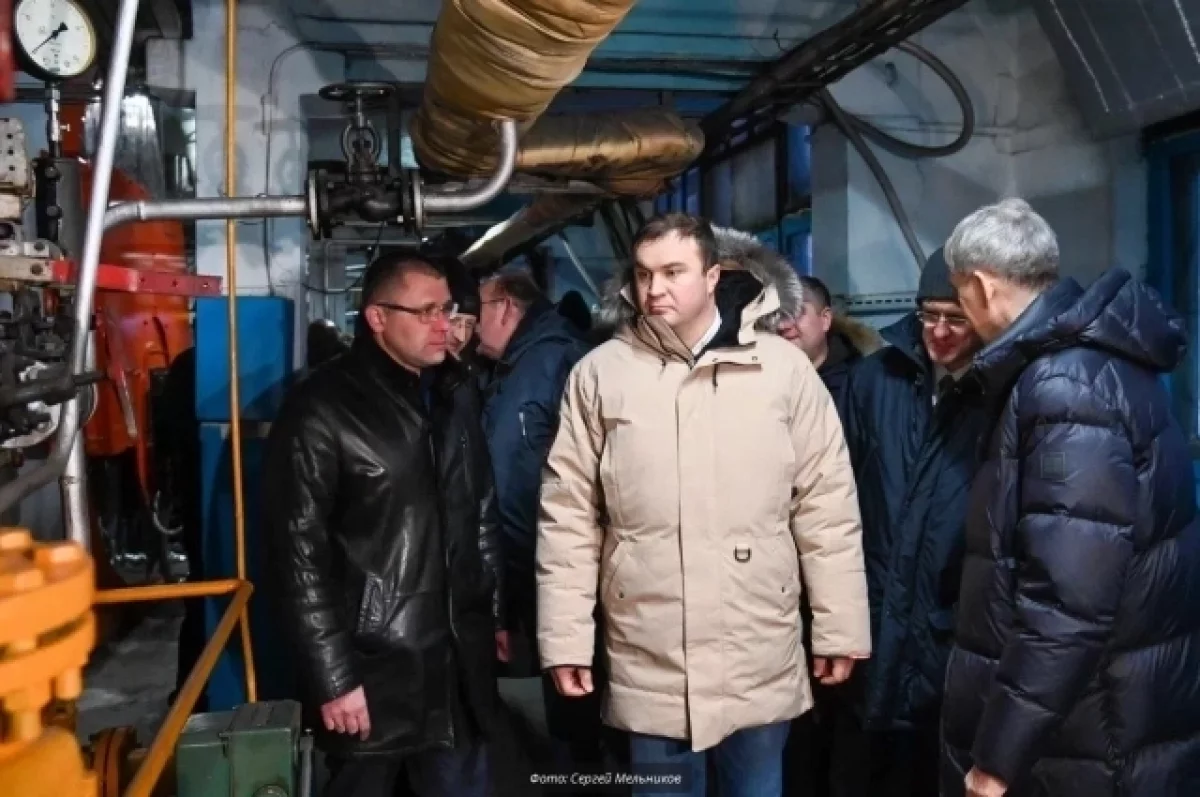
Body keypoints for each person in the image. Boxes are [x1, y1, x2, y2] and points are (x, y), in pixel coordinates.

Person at [537, 213, 871, 797]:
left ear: (714, 276)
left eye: (674, 272)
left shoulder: (783, 371)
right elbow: (568, 517)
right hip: (651, 651)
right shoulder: (600, 375)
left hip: (757, 646)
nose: (655, 289)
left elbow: (826, 506)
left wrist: (839, 628)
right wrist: (565, 640)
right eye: (644, 274)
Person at [939, 198, 1200, 797]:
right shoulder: (1094, 363)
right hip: (1108, 706)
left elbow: (1066, 600)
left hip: (1090, 725)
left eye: (958, 293)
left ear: (981, 285)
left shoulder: (1062, 385)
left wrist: (998, 757)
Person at [263, 253, 503, 797]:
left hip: (458, 668)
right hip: (374, 672)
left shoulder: (454, 394)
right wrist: (334, 677)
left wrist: (490, 615)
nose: (444, 326)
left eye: (447, 309)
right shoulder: (321, 409)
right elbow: (298, 557)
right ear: (377, 317)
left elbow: (480, 510)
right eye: (426, 312)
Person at [817, 247, 986, 797]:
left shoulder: (998, 391)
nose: (939, 331)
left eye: (955, 318)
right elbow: (834, 494)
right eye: (928, 315)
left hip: (948, 626)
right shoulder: (875, 380)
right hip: (872, 615)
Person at [473, 269, 594, 765]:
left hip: (555, 563)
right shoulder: (511, 368)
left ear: (505, 306)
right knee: (559, 696)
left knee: (576, 702)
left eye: (477, 310)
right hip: (529, 564)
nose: (469, 323)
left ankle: (584, 778)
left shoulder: (555, 361)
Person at [777, 275, 881, 404]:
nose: (783, 325)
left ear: (825, 320)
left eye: (796, 311)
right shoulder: (763, 381)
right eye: (777, 315)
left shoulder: (861, 386)